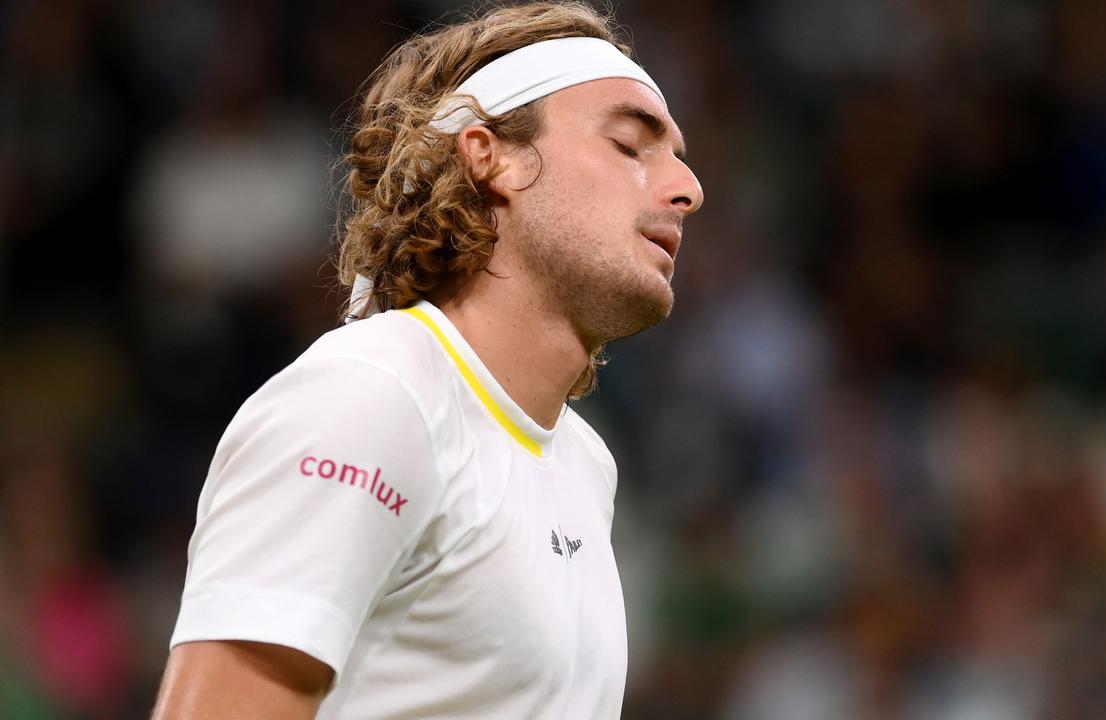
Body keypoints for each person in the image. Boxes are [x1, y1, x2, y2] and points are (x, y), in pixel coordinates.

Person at [149, 2, 703, 718]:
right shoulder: (371, 397)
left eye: (679, 159)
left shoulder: (586, 466)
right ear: (488, 155)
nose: (687, 190)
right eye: (631, 146)